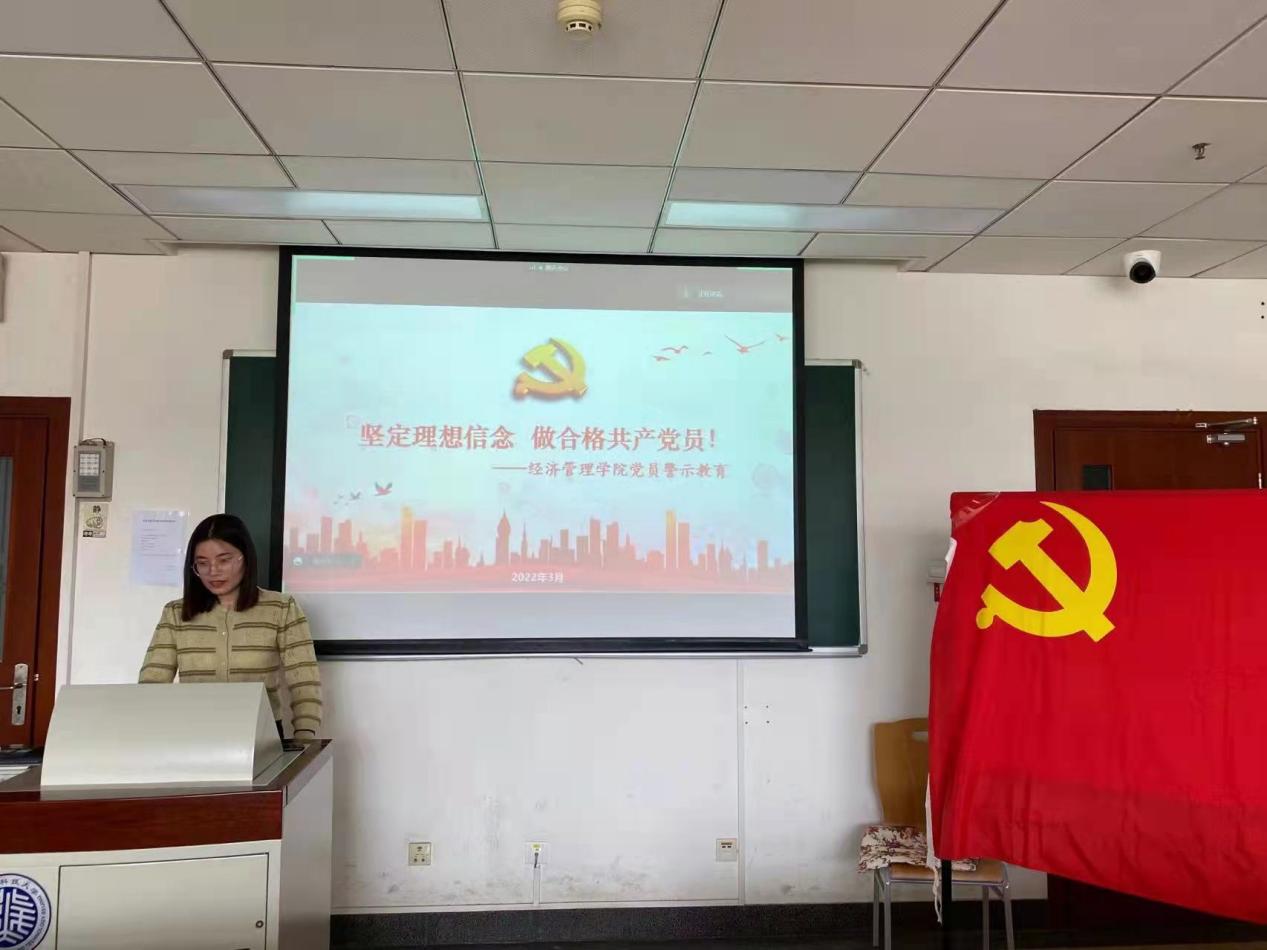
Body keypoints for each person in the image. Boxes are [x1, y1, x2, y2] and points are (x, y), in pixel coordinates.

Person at [139, 514, 322, 741]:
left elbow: (304, 681)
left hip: (261, 736)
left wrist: (304, 737)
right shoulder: (175, 613)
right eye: (202, 563)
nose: (213, 571)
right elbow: (152, 684)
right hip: (193, 733)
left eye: (223, 560)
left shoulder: (281, 608)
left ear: (245, 558)